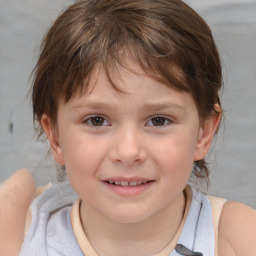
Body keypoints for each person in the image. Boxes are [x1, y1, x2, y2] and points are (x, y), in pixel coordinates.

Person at [2, 0, 255, 255]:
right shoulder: (20, 237)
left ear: (204, 132)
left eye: (158, 120)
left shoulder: (235, 237)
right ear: (55, 137)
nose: (128, 151)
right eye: (97, 120)